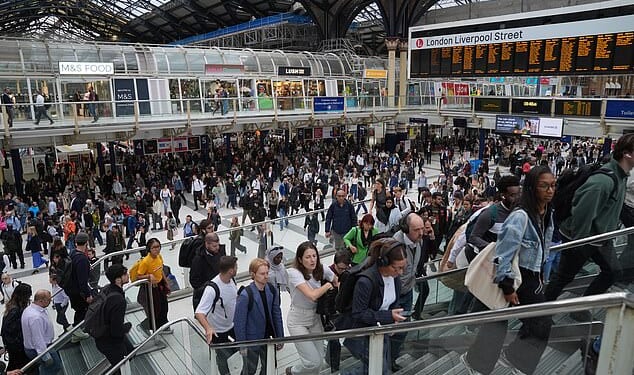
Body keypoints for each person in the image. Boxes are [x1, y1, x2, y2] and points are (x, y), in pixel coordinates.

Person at [461, 165, 556, 375]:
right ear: (532, 188)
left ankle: (515, 358)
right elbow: (503, 253)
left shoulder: (547, 212)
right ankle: (478, 364)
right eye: (544, 186)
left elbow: (544, 246)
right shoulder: (520, 216)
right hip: (514, 278)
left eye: (552, 185)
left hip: (531, 277)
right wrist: (507, 287)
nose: (550, 190)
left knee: (540, 322)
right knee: (498, 326)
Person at [546, 134, 634, 314]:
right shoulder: (603, 182)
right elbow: (581, 214)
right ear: (627, 154)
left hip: (602, 237)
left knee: (613, 272)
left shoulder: (622, 176)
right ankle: (535, 317)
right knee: (563, 277)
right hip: (582, 238)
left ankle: (580, 308)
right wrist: (580, 244)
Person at [343, 238, 407, 374]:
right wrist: (388, 316)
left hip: (381, 331)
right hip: (363, 334)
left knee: (379, 369)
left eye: (403, 268)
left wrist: (394, 320)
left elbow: (394, 302)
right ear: (383, 262)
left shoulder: (395, 279)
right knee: (379, 369)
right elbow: (359, 313)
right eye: (397, 268)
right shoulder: (365, 282)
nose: (400, 272)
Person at [285, 241, 338, 375]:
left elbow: (337, 280)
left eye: (314, 256)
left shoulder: (322, 268)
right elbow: (312, 295)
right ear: (300, 259)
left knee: (319, 361)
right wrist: (327, 286)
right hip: (297, 320)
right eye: (308, 257)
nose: (312, 260)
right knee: (313, 362)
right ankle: (293, 371)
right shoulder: (293, 273)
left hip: (315, 318)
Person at [234, 258, 284, 375]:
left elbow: (276, 313)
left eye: (267, 273)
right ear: (253, 274)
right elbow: (239, 322)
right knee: (250, 369)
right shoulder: (246, 295)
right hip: (252, 339)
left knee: (269, 366)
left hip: (268, 336)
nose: (266, 276)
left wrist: (280, 336)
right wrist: (242, 345)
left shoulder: (271, 289)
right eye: (262, 274)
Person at [194, 256, 239, 374]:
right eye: (236, 267)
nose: (237, 269)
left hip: (232, 325)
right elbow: (199, 312)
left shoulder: (232, 280)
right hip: (218, 331)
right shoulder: (212, 289)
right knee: (222, 357)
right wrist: (208, 328)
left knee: (237, 348)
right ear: (231, 270)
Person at [95, 264, 133, 375]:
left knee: (130, 352)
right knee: (121, 366)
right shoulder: (118, 300)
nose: (128, 275)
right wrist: (127, 327)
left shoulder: (107, 288)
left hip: (102, 335)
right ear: (118, 280)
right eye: (125, 274)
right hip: (109, 340)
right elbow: (116, 330)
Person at [22, 289, 62, 375]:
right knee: (54, 367)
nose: (51, 301)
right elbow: (37, 338)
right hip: (41, 349)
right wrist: (45, 356)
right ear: (41, 301)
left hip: (39, 347)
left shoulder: (32, 309)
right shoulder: (35, 317)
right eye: (48, 300)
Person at [62, 231, 93, 343]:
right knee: (82, 309)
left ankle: (76, 332)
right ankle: (76, 330)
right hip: (78, 291)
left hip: (70, 289)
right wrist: (88, 294)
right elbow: (82, 281)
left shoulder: (72, 253)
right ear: (86, 243)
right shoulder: (82, 259)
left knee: (79, 309)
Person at [136, 238, 170, 332]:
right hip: (150, 288)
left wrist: (166, 282)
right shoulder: (146, 261)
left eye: (158, 247)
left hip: (160, 285)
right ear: (149, 249)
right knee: (155, 309)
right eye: (154, 247)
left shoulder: (159, 257)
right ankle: (148, 326)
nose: (156, 249)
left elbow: (161, 270)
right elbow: (139, 276)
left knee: (164, 306)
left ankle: (163, 324)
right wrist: (149, 276)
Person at [1, 283, 32, 372]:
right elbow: (9, 330)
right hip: (16, 346)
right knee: (17, 365)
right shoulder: (15, 310)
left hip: (13, 345)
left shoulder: (13, 305)